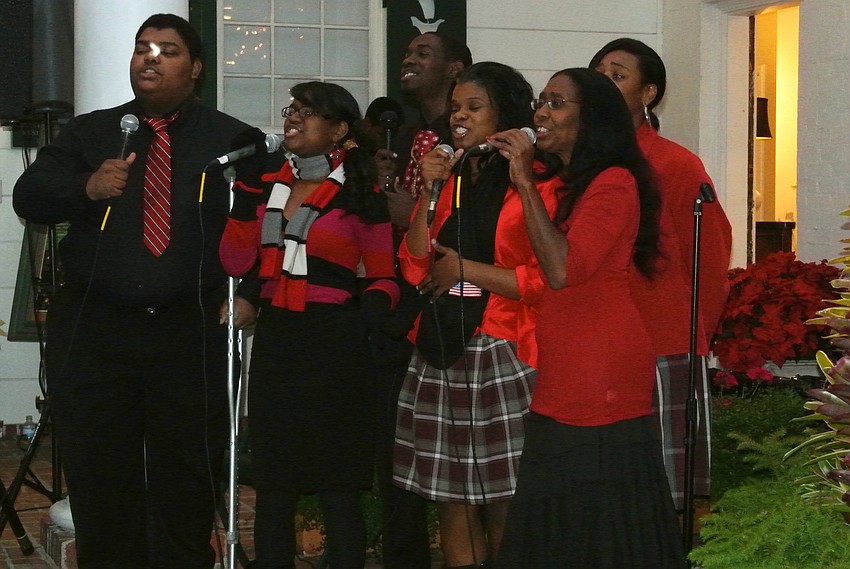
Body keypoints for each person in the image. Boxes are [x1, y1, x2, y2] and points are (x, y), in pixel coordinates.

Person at [12, 13, 257, 568]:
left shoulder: (231, 141)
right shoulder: (93, 132)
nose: (150, 57)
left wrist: (250, 293)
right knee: (99, 470)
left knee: (187, 469)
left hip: (190, 329)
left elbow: (263, 222)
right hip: (97, 329)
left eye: (167, 50)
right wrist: (86, 185)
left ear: (195, 67)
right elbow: (29, 195)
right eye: (142, 47)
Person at [492, 68, 683, 567]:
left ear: (592, 117)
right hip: (567, 357)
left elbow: (562, 271)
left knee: (596, 500)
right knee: (558, 488)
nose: (540, 112)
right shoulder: (571, 182)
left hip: (600, 362)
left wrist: (523, 181)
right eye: (541, 101)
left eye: (557, 103)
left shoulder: (615, 182)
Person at [218, 81, 400, 569]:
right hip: (278, 341)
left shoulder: (360, 192)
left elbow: (384, 276)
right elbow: (236, 262)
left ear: (339, 130)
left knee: (337, 484)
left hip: (336, 345)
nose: (293, 118)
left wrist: (364, 320)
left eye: (307, 111)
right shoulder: (268, 185)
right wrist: (244, 197)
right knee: (275, 482)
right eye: (291, 109)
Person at [392, 61, 559, 569]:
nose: (458, 117)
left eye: (473, 107)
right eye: (455, 108)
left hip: (505, 346)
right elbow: (414, 264)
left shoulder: (539, 180)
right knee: (453, 499)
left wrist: (467, 270)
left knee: (506, 496)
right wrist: (429, 190)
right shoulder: (453, 175)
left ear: (504, 114)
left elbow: (545, 280)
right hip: (443, 344)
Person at [590, 38, 733, 510]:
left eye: (618, 75)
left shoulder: (675, 164)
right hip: (590, 344)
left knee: (663, 494)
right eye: (598, 73)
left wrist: (693, 340)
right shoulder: (571, 161)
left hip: (660, 341)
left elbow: (709, 259)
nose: (604, 83)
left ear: (648, 93)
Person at [370, 32, 472, 569]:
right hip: (399, 304)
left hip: (455, 306)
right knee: (396, 449)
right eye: (406, 52)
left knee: (466, 468)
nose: (408, 60)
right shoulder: (407, 136)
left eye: (423, 54)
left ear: (456, 67)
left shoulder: (466, 142)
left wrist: (411, 209)